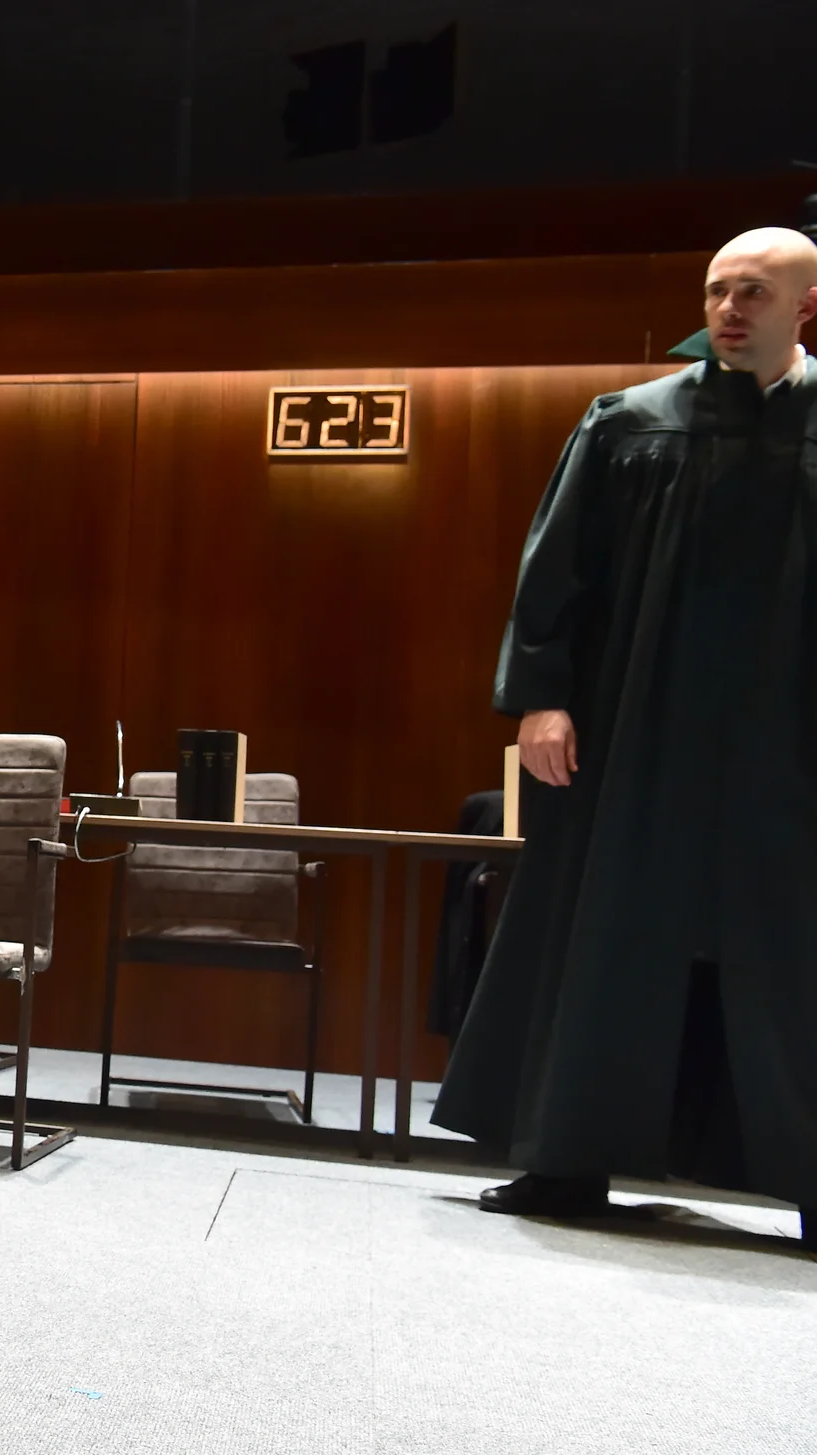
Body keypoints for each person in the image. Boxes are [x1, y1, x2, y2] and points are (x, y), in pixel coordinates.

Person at [433, 227, 817, 1244]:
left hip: (790, 745)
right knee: (606, 932)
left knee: (794, 948)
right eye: (714, 290)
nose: (726, 309)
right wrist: (541, 699)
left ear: (803, 309)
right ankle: (564, 1160)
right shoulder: (627, 425)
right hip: (635, 731)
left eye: (750, 293)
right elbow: (554, 574)